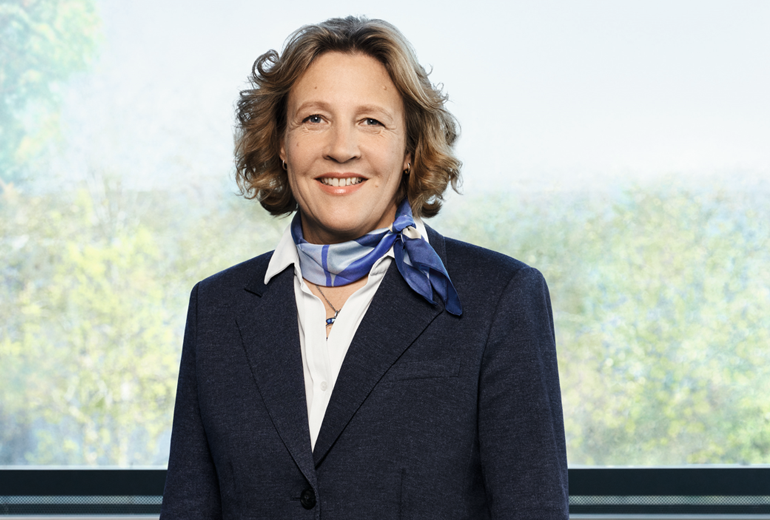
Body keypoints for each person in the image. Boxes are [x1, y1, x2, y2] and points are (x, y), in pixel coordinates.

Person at [161, 16, 568, 519]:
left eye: (371, 121)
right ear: (282, 144)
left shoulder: (501, 299)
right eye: (314, 119)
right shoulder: (217, 308)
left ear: (410, 149)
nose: (341, 148)